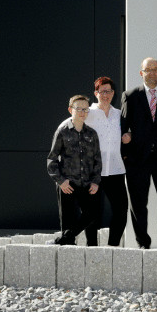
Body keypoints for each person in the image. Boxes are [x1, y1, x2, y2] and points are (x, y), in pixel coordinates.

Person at [121, 58, 157, 250]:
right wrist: (125, 155)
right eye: (148, 70)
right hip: (137, 160)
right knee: (138, 204)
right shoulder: (130, 96)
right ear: (141, 73)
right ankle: (143, 243)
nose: (152, 73)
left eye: (155, 70)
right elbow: (123, 127)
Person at [47, 95, 102, 245]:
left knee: (92, 215)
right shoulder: (62, 132)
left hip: (87, 184)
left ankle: (65, 238)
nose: (83, 112)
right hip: (68, 184)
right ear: (70, 110)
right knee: (68, 220)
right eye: (79, 109)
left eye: (86, 109)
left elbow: (97, 160)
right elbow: (52, 159)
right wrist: (61, 181)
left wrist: (96, 181)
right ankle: (67, 243)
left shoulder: (92, 134)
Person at [83, 77, 128, 247]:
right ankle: (92, 248)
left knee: (121, 210)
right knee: (92, 212)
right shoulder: (89, 113)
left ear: (113, 93)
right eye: (102, 91)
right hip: (93, 171)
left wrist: (128, 136)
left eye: (109, 91)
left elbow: (127, 132)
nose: (106, 94)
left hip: (115, 169)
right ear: (96, 93)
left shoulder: (118, 114)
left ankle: (112, 248)